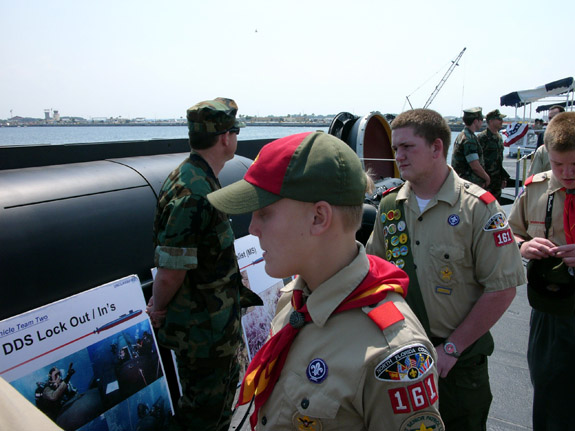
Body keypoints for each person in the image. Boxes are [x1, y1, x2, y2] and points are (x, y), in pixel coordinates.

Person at [207, 131, 443, 430]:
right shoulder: (293, 298)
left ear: (318, 218)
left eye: (264, 213)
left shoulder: (392, 354)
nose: (252, 228)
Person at [366, 109, 526, 430]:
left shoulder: (477, 208)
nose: (399, 156)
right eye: (396, 149)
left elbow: (502, 287)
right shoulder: (389, 207)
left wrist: (451, 349)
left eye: (407, 147)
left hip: (458, 364)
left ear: (437, 148)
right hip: (405, 358)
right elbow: (375, 278)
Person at [147, 97, 260, 431]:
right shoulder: (193, 192)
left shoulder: (198, 178)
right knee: (204, 418)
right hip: (203, 335)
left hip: (213, 328)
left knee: (214, 412)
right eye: (235, 132)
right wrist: (157, 308)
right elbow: (170, 272)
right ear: (225, 138)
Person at [508, 111, 575, 431]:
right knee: (549, 391)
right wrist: (523, 246)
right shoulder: (536, 189)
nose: (567, 173)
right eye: (559, 165)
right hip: (552, 310)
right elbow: (511, 233)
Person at [452, 107, 490, 187]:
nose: (482, 123)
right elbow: (474, 165)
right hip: (468, 184)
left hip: (461, 182)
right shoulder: (469, 139)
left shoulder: (462, 135)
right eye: (481, 120)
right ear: (476, 121)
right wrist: (487, 178)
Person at [478, 109, 510, 201]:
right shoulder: (482, 138)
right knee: (484, 206)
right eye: (499, 119)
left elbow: (499, 159)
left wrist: (503, 177)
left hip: (497, 180)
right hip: (486, 180)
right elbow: (477, 160)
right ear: (491, 121)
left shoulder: (499, 137)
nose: (502, 121)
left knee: (496, 207)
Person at [529, 105, 566, 175]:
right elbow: (536, 166)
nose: (551, 121)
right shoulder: (543, 137)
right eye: (550, 118)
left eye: (555, 118)